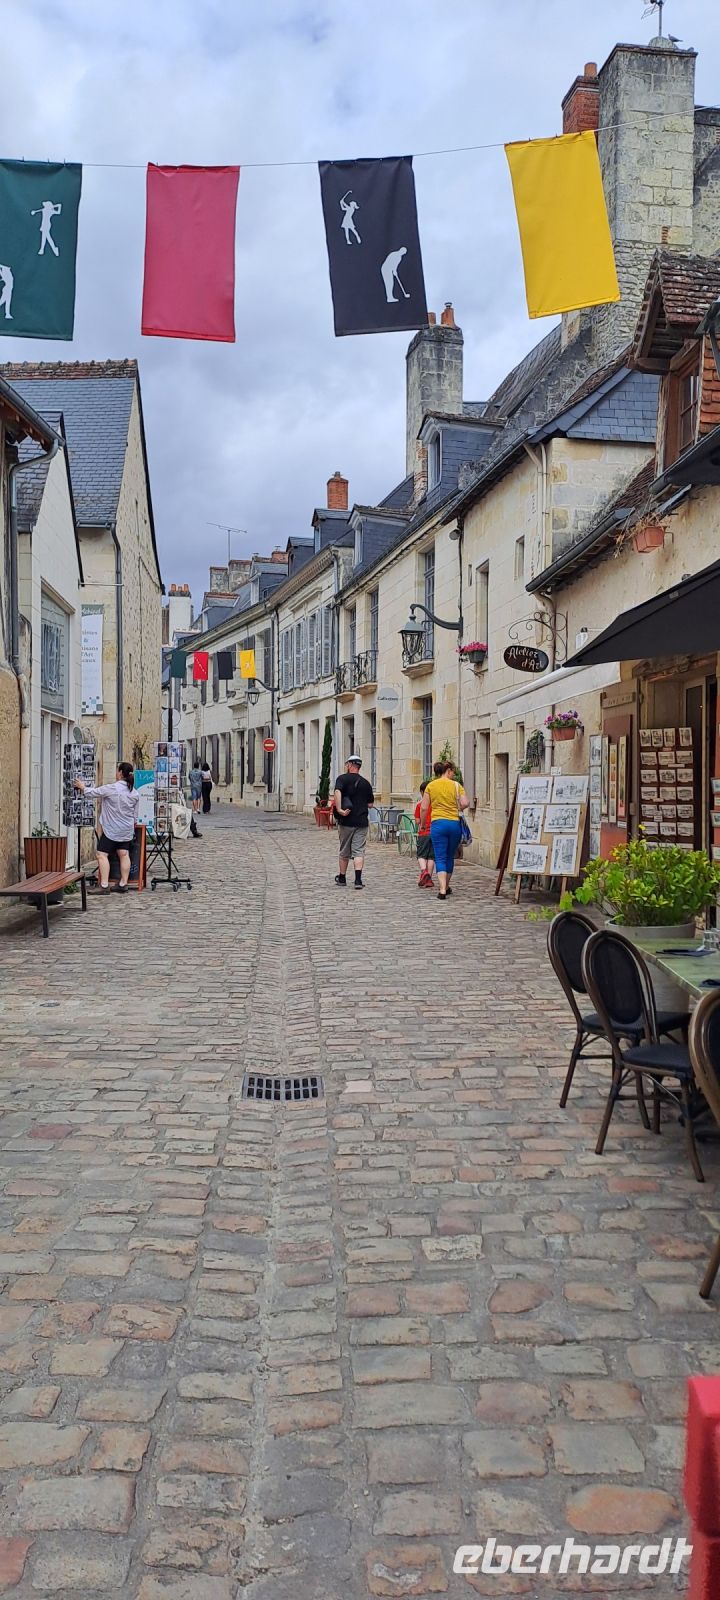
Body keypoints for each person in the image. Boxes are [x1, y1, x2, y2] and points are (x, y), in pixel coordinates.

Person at [74, 761, 139, 895]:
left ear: (120, 773)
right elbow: (135, 815)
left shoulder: (112, 788)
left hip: (112, 829)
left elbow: (93, 793)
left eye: (117, 771)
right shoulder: (134, 793)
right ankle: (123, 883)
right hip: (126, 829)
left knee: (101, 854)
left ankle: (104, 885)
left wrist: (82, 787)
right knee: (124, 854)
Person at [419, 759, 470, 901]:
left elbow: (424, 808)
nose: (453, 774)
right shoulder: (456, 785)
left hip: (438, 824)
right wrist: (458, 808)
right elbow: (466, 802)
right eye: (452, 772)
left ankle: (442, 889)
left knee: (440, 856)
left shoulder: (431, 786)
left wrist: (422, 824)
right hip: (454, 824)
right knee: (449, 856)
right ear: (448, 771)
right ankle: (446, 885)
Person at [333, 754, 374, 889]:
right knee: (359, 851)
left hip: (346, 820)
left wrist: (339, 809)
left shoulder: (342, 779)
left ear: (350, 765)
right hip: (361, 821)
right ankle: (358, 880)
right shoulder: (366, 783)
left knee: (344, 850)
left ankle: (342, 877)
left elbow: (337, 792)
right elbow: (370, 804)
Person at [414, 781, 435, 888]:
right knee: (431, 857)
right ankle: (429, 879)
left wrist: (422, 824)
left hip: (424, 833)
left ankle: (424, 871)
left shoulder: (420, 805)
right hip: (434, 832)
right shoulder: (435, 805)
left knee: (421, 855)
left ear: (422, 792)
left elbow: (418, 821)